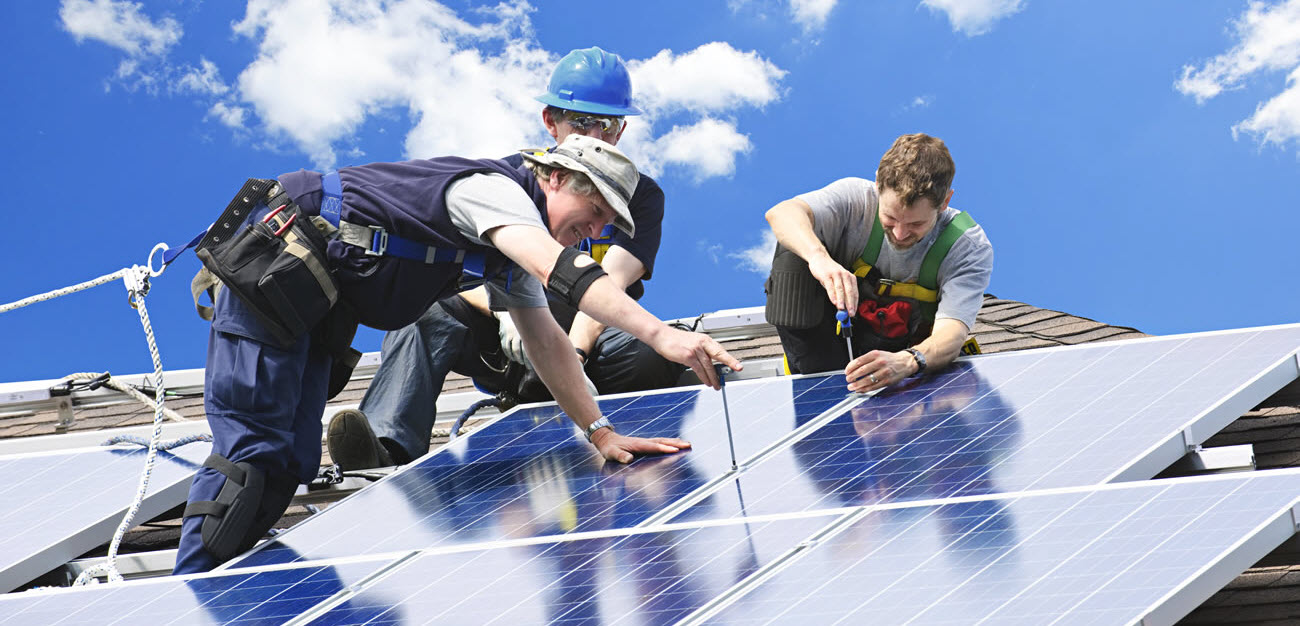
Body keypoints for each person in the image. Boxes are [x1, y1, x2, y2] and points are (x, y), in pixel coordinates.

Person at [174, 133, 741, 574]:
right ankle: (188, 596)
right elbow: (558, 268)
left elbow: (545, 339)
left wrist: (600, 432)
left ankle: (223, 593)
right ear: (557, 176)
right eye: (593, 215)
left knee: (294, 461)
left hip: (313, 303)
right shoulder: (492, 193)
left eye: (603, 228)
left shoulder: (506, 252)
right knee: (253, 455)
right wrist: (663, 336)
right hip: (274, 265)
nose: (592, 233)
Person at [327, 47, 682, 471]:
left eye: (606, 124)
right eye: (582, 122)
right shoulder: (512, 180)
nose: (595, 135)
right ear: (551, 123)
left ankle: (615, 428)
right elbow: (467, 265)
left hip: (585, 341)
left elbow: (610, 283)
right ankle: (386, 448)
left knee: (654, 349)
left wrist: (575, 352)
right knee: (424, 313)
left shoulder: (637, 197)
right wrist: (504, 314)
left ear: (620, 131)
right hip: (508, 338)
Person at [764, 133, 992, 393]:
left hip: (901, 361)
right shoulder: (854, 199)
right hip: (823, 352)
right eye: (890, 218)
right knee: (793, 249)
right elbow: (782, 212)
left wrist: (908, 361)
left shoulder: (966, 245)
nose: (900, 234)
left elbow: (952, 331)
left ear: (945, 202)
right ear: (877, 186)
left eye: (916, 224)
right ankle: (819, 384)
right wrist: (819, 259)